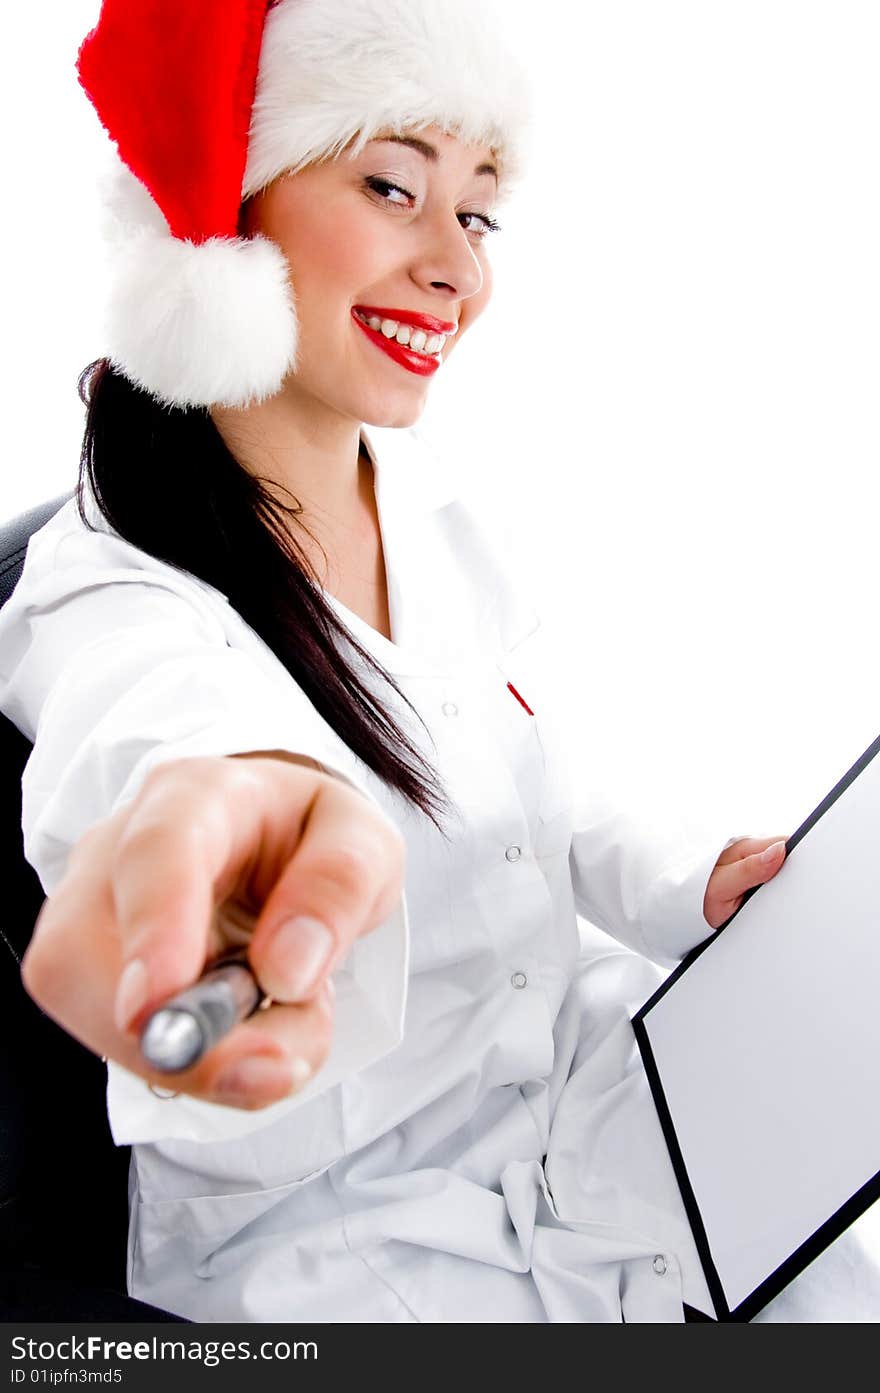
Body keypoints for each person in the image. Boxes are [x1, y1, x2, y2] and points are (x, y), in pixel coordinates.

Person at [0, 0, 875, 1323]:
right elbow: (161, 752)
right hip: (357, 1230)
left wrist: (691, 883)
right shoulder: (113, 594)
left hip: (581, 1112)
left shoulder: (427, 504)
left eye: (476, 213)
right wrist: (215, 837)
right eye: (394, 185)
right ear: (227, 216)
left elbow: (536, 784)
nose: (457, 270)